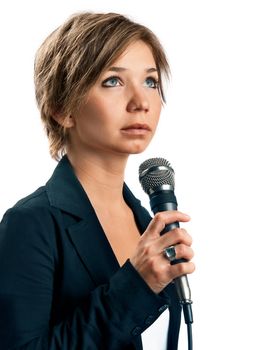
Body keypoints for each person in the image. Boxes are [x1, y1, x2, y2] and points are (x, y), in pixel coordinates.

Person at [0, 12, 195, 350]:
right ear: (63, 108)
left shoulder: (147, 224)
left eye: (150, 81)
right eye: (113, 81)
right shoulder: (30, 225)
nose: (141, 102)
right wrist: (135, 286)